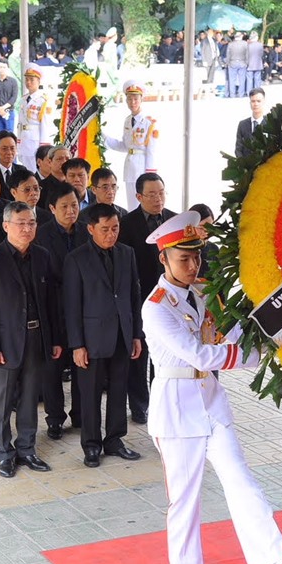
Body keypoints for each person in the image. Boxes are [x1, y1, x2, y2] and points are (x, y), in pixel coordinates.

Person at [142, 211, 282, 564]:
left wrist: (260, 333)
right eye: (184, 258)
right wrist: (252, 355)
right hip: (177, 410)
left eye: (197, 257)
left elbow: (228, 333)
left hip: (211, 402)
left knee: (242, 481)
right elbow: (201, 354)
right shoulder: (156, 308)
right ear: (163, 259)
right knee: (184, 503)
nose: (194, 265)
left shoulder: (205, 290)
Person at [0, 201, 63, 478]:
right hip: (4, 341)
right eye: (21, 223)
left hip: (37, 337)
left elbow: (52, 303)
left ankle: (27, 448)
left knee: (28, 399)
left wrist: (55, 339)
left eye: (32, 223)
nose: (27, 228)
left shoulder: (42, 255)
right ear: (6, 226)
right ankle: (3, 453)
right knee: (1, 400)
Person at [64, 202, 143, 466]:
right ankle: (91, 445)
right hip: (91, 338)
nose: (111, 234)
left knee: (119, 390)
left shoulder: (127, 253)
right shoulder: (76, 259)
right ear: (90, 229)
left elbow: (134, 295)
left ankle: (115, 439)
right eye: (105, 229)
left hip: (122, 333)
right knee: (90, 394)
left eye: (115, 228)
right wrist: (77, 344)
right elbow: (71, 305)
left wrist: (136, 335)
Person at [118, 172, 176, 425]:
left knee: (163, 354)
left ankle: (160, 403)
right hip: (140, 298)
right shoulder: (127, 224)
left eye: (161, 192)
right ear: (138, 196)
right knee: (138, 354)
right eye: (151, 194)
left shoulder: (174, 220)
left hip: (170, 300)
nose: (157, 198)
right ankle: (139, 405)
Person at [36, 183, 88, 440]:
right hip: (53, 308)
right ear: (52, 208)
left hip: (82, 309)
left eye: (75, 206)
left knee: (82, 365)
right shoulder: (41, 235)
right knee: (52, 368)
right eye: (65, 207)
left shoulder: (86, 231)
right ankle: (55, 418)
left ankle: (80, 414)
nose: (71, 211)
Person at [105, 80, 159, 211]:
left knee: (145, 204)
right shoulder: (128, 120)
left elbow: (151, 150)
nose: (132, 102)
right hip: (129, 167)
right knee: (132, 204)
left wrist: (150, 174)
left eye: (135, 99)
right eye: (129, 99)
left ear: (141, 100)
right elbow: (125, 146)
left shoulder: (148, 122)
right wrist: (103, 137)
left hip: (142, 166)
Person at [16, 63, 52, 171]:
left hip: (35, 141)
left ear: (38, 81)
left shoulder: (43, 100)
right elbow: (20, 123)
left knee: (36, 171)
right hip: (23, 141)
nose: (28, 82)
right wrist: (18, 141)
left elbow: (45, 124)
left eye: (32, 80)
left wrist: (44, 146)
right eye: (27, 79)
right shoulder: (23, 99)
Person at [235, 87, 265, 158]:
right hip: (246, 166)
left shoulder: (271, 123)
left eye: (258, 101)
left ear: (264, 101)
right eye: (253, 101)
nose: (255, 104)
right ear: (250, 102)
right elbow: (238, 149)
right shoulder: (242, 125)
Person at [0, 61, 18, 134]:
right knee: (0, 134)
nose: (2, 69)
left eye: (4, 67)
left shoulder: (13, 82)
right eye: (0, 67)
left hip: (9, 111)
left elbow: (14, 97)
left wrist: (3, 108)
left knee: (9, 134)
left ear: (8, 68)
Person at [225, 32, 247, 98]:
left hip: (232, 63)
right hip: (242, 63)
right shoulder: (245, 44)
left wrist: (228, 63)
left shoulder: (230, 44)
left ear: (235, 37)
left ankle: (232, 95)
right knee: (242, 80)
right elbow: (247, 54)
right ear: (241, 37)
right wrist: (246, 62)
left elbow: (228, 55)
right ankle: (241, 94)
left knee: (232, 80)